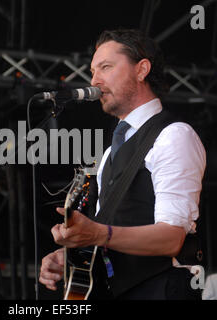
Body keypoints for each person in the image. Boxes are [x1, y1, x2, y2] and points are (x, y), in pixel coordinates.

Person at [39, 29, 206, 300]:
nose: (95, 81)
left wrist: (97, 233)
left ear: (141, 70)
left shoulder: (174, 136)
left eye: (106, 67)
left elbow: (172, 238)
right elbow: (106, 233)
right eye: (92, 71)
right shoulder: (110, 152)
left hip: (160, 289)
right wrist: (68, 255)